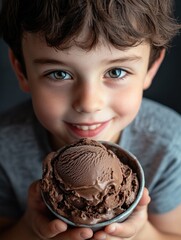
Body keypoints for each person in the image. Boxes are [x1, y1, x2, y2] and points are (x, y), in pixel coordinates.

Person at [0, 0, 181, 239]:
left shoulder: (168, 145)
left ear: (150, 69)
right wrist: (30, 231)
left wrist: (140, 233)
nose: (88, 103)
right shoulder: (5, 147)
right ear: (22, 72)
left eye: (116, 71)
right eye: (59, 73)